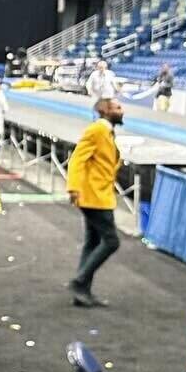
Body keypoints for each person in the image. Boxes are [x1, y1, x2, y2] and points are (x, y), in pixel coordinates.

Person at [66, 96, 124, 309]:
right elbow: (77, 159)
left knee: (92, 242)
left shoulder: (106, 132)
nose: (122, 110)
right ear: (105, 111)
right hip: (94, 197)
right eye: (117, 107)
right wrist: (73, 187)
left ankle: (82, 293)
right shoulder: (97, 130)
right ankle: (79, 281)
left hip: (99, 195)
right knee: (111, 241)